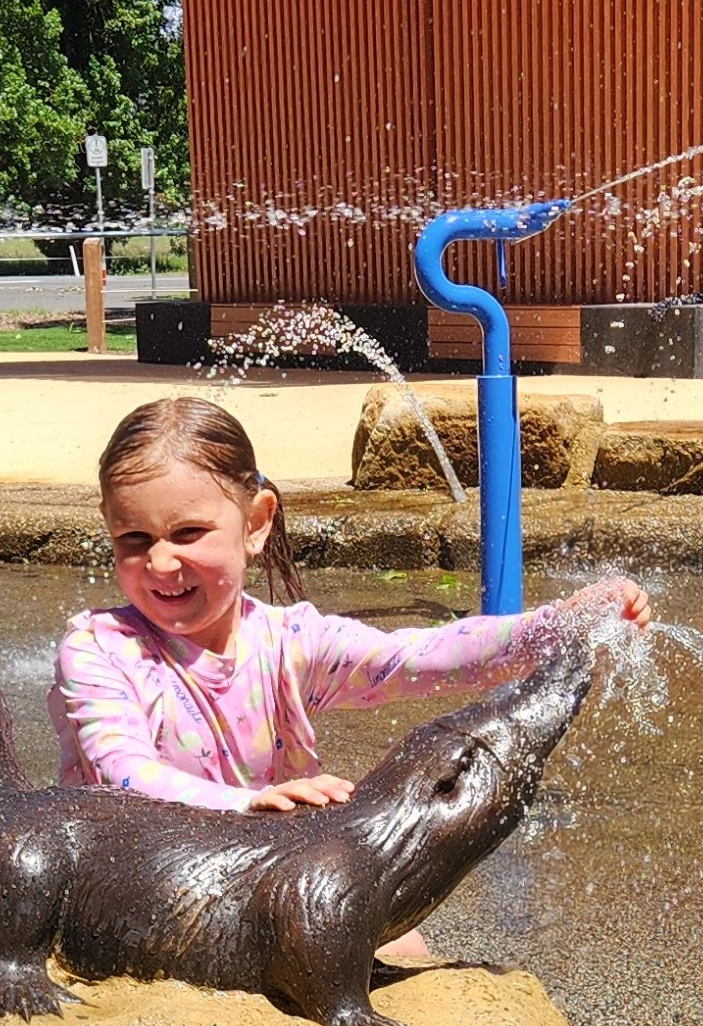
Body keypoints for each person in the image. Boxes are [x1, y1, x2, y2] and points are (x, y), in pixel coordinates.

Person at [50, 397, 650, 952]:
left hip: (262, 877)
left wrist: (557, 625)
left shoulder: (288, 642)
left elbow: (416, 658)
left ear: (255, 523)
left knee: (403, 946)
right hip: (142, 890)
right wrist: (249, 803)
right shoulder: (101, 650)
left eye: (188, 533)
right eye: (133, 539)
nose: (160, 562)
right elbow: (122, 772)